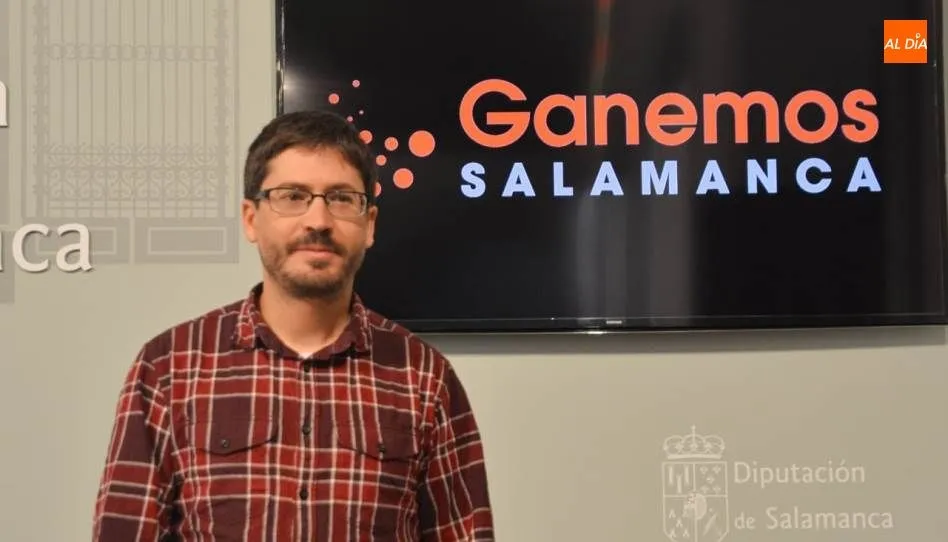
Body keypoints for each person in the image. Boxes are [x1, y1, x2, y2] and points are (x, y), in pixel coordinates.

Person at [91, 110, 495, 541]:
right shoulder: (168, 368)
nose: (318, 221)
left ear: (369, 224)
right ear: (251, 218)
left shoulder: (424, 378)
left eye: (341, 198)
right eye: (292, 195)